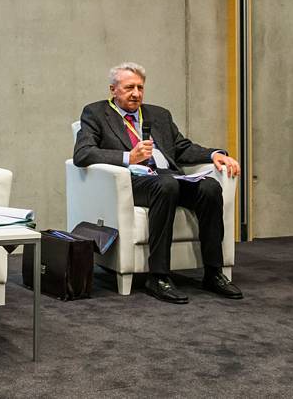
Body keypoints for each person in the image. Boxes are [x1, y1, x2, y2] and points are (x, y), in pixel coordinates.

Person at [73, 62, 243, 303]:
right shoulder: (96, 113)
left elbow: (182, 148)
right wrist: (128, 157)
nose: (136, 94)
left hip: (168, 178)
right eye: (129, 88)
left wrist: (214, 154)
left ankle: (213, 272)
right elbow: (83, 153)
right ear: (113, 89)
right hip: (132, 181)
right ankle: (158, 276)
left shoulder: (159, 115)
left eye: (140, 87)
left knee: (210, 187)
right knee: (166, 185)